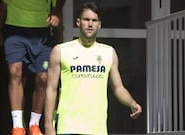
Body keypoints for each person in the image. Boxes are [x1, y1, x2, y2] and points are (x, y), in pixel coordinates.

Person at [44, 1, 142, 135]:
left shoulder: (109, 52)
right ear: (78, 22)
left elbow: (118, 88)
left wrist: (132, 103)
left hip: (98, 129)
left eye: (94, 20)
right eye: (86, 19)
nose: (90, 24)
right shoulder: (60, 51)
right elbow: (51, 89)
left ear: (99, 25)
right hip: (68, 127)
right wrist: (48, 126)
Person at [0, 0, 66, 135]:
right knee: (15, 73)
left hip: (43, 31)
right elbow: (1, 7)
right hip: (14, 29)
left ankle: (34, 124)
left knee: (43, 77)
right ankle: (18, 126)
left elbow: (59, 3)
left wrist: (56, 14)